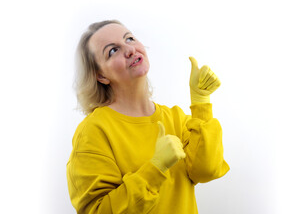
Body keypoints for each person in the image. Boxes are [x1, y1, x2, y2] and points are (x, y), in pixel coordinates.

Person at [66, 20, 230, 214]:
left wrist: (201, 102)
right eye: (112, 51)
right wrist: (155, 168)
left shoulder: (176, 118)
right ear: (101, 76)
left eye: (129, 38)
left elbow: (206, 170)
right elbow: (98, 210)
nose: (129, 49)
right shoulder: (94, 131)